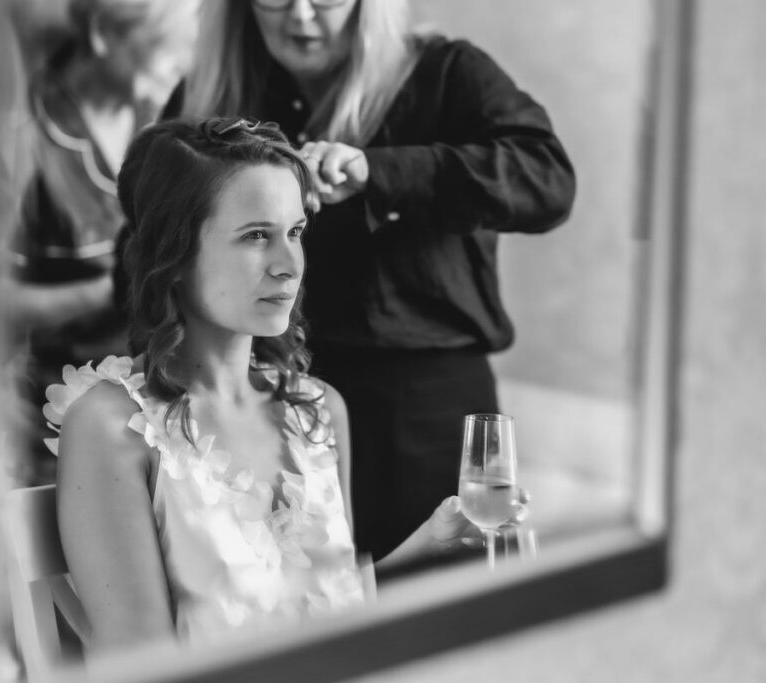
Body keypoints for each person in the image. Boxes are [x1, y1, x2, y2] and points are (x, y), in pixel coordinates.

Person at [46, 117, 493, 655]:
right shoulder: (112, 426)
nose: (289, 265)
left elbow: (326, 613)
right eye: (256, 235)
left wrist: (429, 546)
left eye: (296, 233)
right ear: (175, 254)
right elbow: (140, 663)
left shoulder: (318, 410)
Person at [159, 0, 576, 562]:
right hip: (271, 407)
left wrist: (379, 173)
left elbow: (546, 180)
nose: (300, 17)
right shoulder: (207, 97)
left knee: (439, 621)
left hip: (423, 408)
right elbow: (148, 248)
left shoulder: (446, 73)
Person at [0, 0, 197, 487]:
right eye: (162, 54)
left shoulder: (163, 114)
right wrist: (114, 289)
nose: (179, 68)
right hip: (46, 421)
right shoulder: (21, 138)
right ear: (104, 34)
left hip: (153, 405)